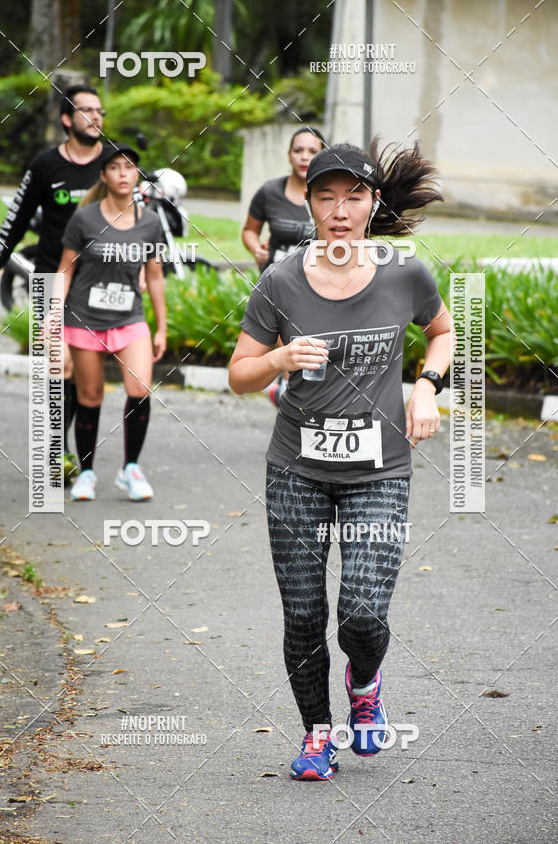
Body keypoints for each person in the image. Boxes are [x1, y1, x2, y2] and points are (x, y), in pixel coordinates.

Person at [229, 141, 452, 781]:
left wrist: (428, 388)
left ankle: (366, 685)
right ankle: (316, 736)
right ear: (309, 202)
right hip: (296, 470)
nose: (340, 209)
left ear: (373, 203)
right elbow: (239, 375)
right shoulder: (281, 279)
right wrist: (277, 359)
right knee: (302, 614)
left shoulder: (405, 274)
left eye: (354, 195)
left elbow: (442, 331)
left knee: (361, 613)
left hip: (379, 471)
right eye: (325, 196)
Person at [0, 85, 111, 478]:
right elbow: (16, 218)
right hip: (51, 279)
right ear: (67, 119)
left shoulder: (115, 162)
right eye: (86, 110)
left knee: (88, 379)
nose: (96, 117)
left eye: (100, 110)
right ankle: (54, 456)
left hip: (97, 286)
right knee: (57, 370)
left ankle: (78, 462)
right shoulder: (45, 165)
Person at [52, 143, 167, 502]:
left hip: (130, 319)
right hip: (84, 319)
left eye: (129, 167)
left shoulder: (149, 222)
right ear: (103, 175)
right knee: (89, 396)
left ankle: (130, 468)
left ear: (137, 176)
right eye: (115, 167)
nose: (122, 173)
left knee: (140, 389)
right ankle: (86, 472)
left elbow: (156, 275)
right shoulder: (84, 218)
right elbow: (64, 271)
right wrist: (54, 318)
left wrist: (161, 325)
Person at [242, 126, 326, 406]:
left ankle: (287, 397)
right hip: (275, 289)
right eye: (298, 150)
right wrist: (255, 247)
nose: (304, 157)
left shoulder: (327, 195)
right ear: (289, 155)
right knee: (293, 355)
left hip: (318, 289)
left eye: (313, 151)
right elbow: (249, 231)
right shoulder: (270, 192)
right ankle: (293, 407)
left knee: (305, 361)